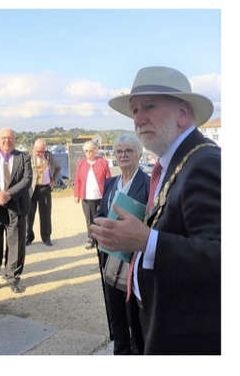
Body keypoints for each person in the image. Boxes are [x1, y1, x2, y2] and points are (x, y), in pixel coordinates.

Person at [91, 66, 220, 354]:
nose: (138, 118)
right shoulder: (176, 162)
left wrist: (146, 241)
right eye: (135, 110)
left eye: (149, 106)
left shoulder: (205, 163)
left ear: (183, 114)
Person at [94, 133, 149, 354]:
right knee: (115, 310)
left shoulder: (146, 184)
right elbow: (100, 211)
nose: (123, 155)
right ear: (114, 155)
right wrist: (96, 226)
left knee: (134, 313)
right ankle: (120, 351)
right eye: (119, 151)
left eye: (129, 151)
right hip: (109, 257)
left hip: (134, 258)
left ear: (139, 154)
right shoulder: (110, 182)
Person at [0, 128, 32, 294]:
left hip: (16, 206)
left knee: (15, 244)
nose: (6, 141)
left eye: (10, 138)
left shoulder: (23, 157)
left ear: (14, 140)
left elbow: (27, 180)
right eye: (3, 138)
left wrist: (9, 194)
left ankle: (13, 277)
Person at [73, 141, 110, 249]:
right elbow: (78, 180)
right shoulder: (81, 163)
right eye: (86, 151)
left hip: (100, 196)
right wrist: (76, 195)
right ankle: (91, 238)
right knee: (89, 219)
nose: (89, 153)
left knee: (100, 218)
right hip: (86, 196)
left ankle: (101, 239)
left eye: (91, 150)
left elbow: (108, 179)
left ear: (95, 150)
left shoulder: (103, 162)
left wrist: (108, 194)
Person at [26, 139, 61, 246]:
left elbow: (58, 168)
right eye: (38, 151)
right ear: (34, 148)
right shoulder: (28, 157)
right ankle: (28, 237)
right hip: (31, 189)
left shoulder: (49, 156)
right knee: (29, 214)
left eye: (43, 151)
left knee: (46, 214)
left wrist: (54, 180)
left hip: (45, 188)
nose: (41, 154)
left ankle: (46, 237)